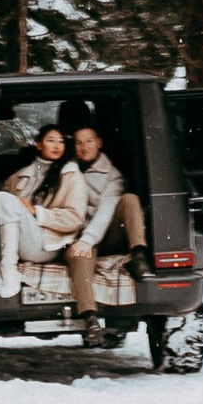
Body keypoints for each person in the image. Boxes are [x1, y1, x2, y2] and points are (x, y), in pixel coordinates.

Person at [64, 119, 148, 342]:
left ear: (99, 143)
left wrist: (88, 239)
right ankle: (91, 319)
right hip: (77, 233)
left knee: (129, 200)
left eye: (89, 141)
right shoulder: (66, 170)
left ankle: (138, 253)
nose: (84, 147)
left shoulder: (113, 175)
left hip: (107, 234)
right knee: (80, 256)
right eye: (79, 143)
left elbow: (105, 211)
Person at [0, 124, 86, 296]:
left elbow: (76, 218)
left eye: (61, 142)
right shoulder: (20, 175)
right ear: (38, 144)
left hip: (47, 245)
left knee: (4, 198)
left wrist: (37, 212)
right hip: (24, 241)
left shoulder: (71, 175)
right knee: (0, 199)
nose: (57, 146)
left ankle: (8, 269)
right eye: (51, 141)